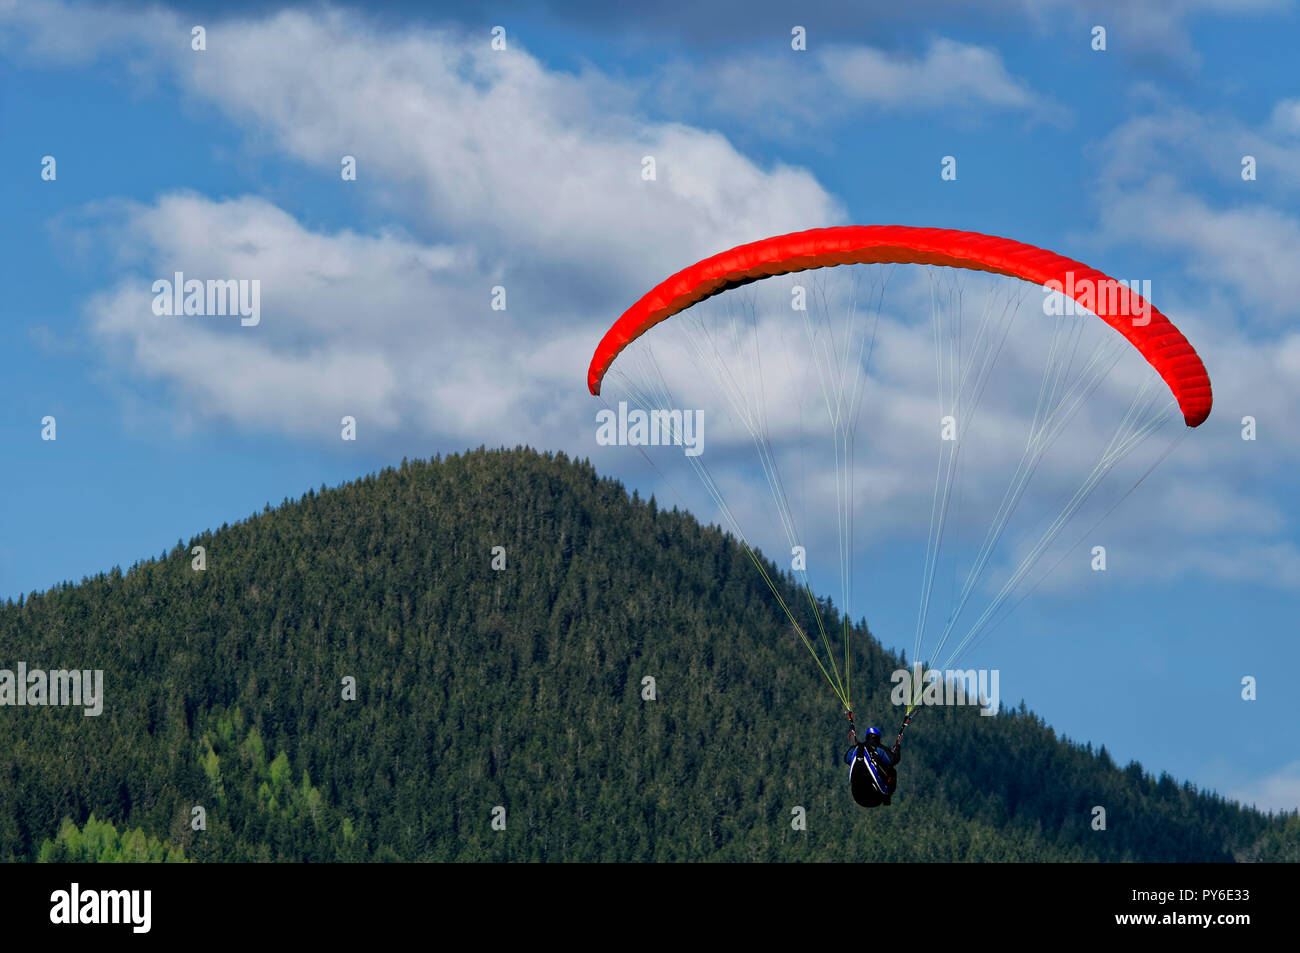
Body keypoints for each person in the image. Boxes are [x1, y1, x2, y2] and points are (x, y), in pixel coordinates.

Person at [844, 725, 902, 808]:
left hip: (857, 797)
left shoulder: (857, 748)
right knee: (892, 771)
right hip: (875, 798)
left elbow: (846, 759)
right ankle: (887, 797)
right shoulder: (879, 749)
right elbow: (892, 760)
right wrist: (897, 750)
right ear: (878, 738)